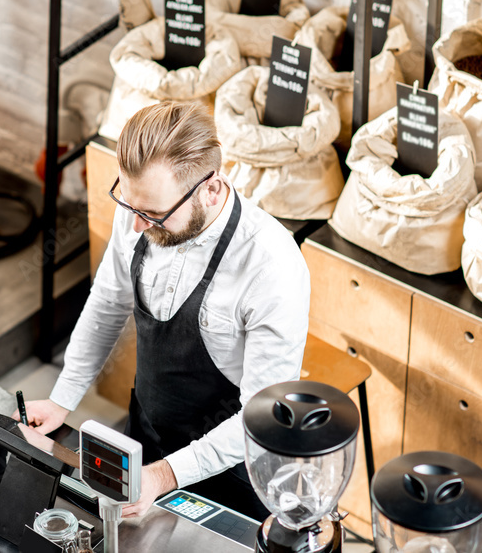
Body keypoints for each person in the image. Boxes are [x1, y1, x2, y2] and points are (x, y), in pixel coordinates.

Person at [22, 101, 310, 520]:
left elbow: (260, 417)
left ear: (210, 188)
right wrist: (63, 397)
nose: (137, 225)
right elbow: (106, 302)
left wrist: (165, 476)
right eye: (130, 206)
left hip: (235, 466)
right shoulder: (140, 209)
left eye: (154, 214)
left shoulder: (270, 265)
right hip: (147, 432)